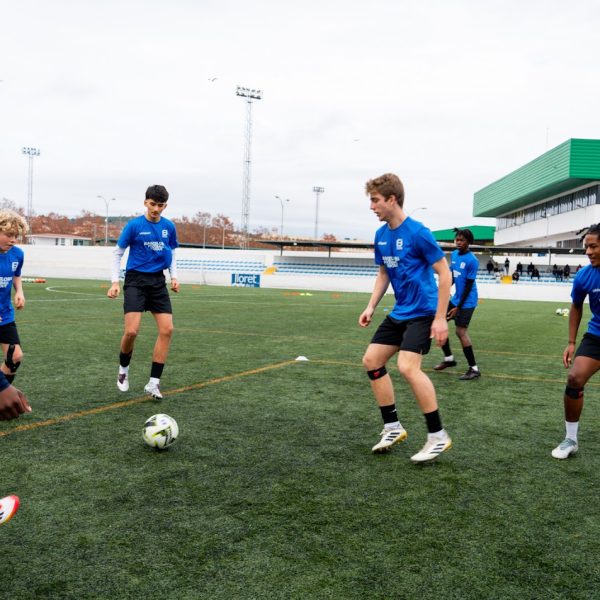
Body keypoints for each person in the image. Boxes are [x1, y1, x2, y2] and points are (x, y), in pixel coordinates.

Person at [359, 173, 452, 463]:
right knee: (372, 361)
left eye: (375, 200)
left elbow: (445, 273)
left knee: (408, 367)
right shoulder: (380, 235)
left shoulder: (418, 232)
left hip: (423, 312)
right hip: (400, 312)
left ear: (392, 199)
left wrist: (440, 318)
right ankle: (392, 427)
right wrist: (371, 306)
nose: (372, 207)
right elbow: (383, 273)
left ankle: (438, 436)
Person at [107, 185, 179, 399]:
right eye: (152, 204)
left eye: (160, 205)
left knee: (167, 329)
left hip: (158, 281)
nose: (156, 209)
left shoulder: (169, 227)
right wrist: (115, 282)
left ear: (165, 206)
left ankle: (153, 383)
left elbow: (172, 253)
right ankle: (123, 370)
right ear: (145, 202)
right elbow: (117, 253)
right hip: (135, 280)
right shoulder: (134, 226)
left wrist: (174, 276)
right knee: (131, 332)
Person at [552, 224, 600, 459]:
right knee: (574, 378)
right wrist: (571, 342)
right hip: (597, 336)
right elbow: (576, 306)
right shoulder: (584, 275)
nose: (588, 252)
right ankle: (571, 439)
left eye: (594, 246)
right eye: (586, 247)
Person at [433, 228, 481, 380]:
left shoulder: (472, 260)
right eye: (457, 240)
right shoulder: (454, 255)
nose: (458, 243)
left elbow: (468, 286)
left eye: (462, 240)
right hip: (456, 299)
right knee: (438, 322)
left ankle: (474, 369)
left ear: (469, 242)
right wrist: (443, 290)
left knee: (460, 332)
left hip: (467, 301)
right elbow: (451, 277)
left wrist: (458, 308)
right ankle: (449, 359)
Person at [0, 210, 28, 388]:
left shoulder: (17, 254)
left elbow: (16, 274)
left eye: (16, 236)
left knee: (15, 357)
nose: (13, 240)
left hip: (5, 314)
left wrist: (19, 292)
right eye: (9, 235)